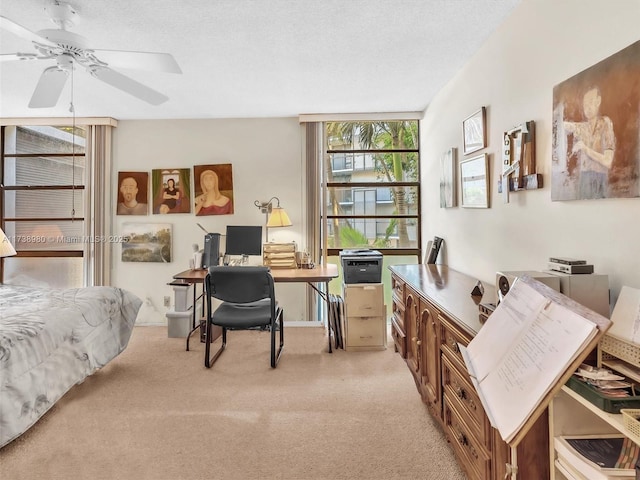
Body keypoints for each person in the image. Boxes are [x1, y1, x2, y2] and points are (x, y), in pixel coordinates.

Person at [564, 86, 616, 199]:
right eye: (585, 104)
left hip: (599, 179)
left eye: (591, 102)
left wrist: (585, 148)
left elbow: (608, 161)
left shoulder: (605, 123)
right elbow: (566, 125)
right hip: (584, 180)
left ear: (598, 101)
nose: (587, 107)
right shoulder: (583, 127)